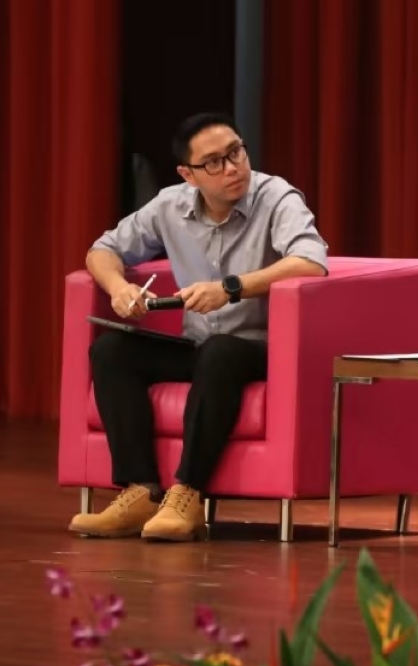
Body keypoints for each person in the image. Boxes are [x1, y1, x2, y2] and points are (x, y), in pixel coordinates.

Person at [69, 112, 328, 542]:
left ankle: (188, 493)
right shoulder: (170, 206)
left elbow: (310, 262)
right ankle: (140, 491)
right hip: (199, 345)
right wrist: (119, 289)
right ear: (188, 175)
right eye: (214, 162)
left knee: (222, 351)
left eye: (236, 152)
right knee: (111, 351)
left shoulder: (276, 197)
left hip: (260, 348)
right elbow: (102, 249)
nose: (232, 168)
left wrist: (231, 288)